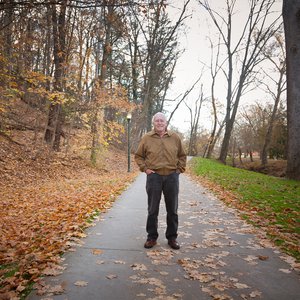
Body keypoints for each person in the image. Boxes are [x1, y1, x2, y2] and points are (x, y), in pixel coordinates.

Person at [134, 112, 187, 250]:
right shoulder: (147, 138)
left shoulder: (174, 137)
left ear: (166, 122)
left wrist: (179, 170)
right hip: (154, 177)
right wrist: (145, 169)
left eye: (161, 120)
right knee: (152, 209)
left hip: (171, 177)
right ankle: (151, 237)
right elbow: (139, 156)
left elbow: (182, 155)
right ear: (153, 123)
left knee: (172, 209)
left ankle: (172, 238)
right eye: (157, 120)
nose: (159, 123)